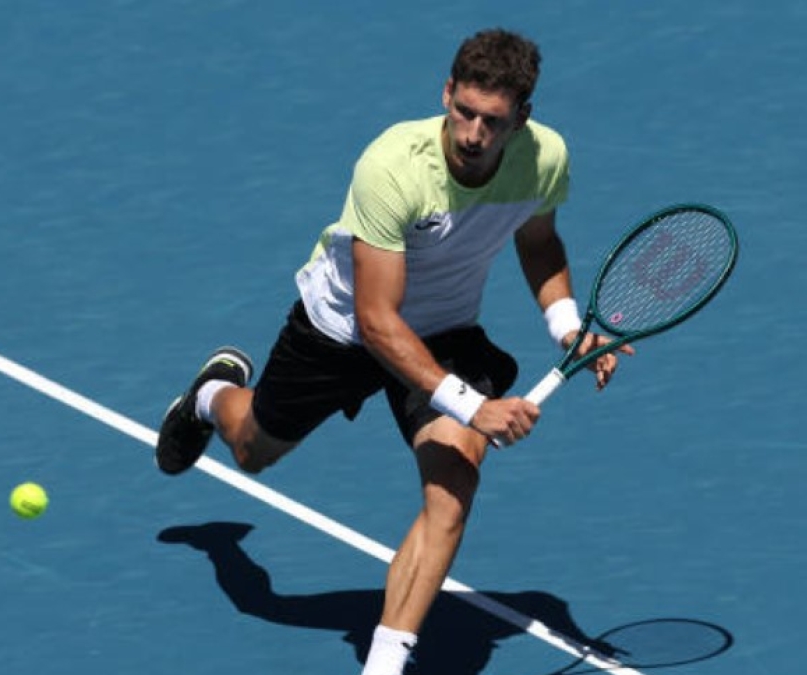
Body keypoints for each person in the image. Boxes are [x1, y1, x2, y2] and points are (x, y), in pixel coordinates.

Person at [155, 28, 633, 675]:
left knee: (455, 480)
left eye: (492, 121)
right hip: (344, 328)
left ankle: (384, 663)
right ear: (445, 93)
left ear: (522, 118)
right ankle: (211, 394)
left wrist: (566, 323)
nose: (471, 133)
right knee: (252, 449)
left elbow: (538, 239)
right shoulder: (391, 166)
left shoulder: (544, 159)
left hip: (445, 328)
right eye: (462, 111)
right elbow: (379, 323)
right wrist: (474, 404)